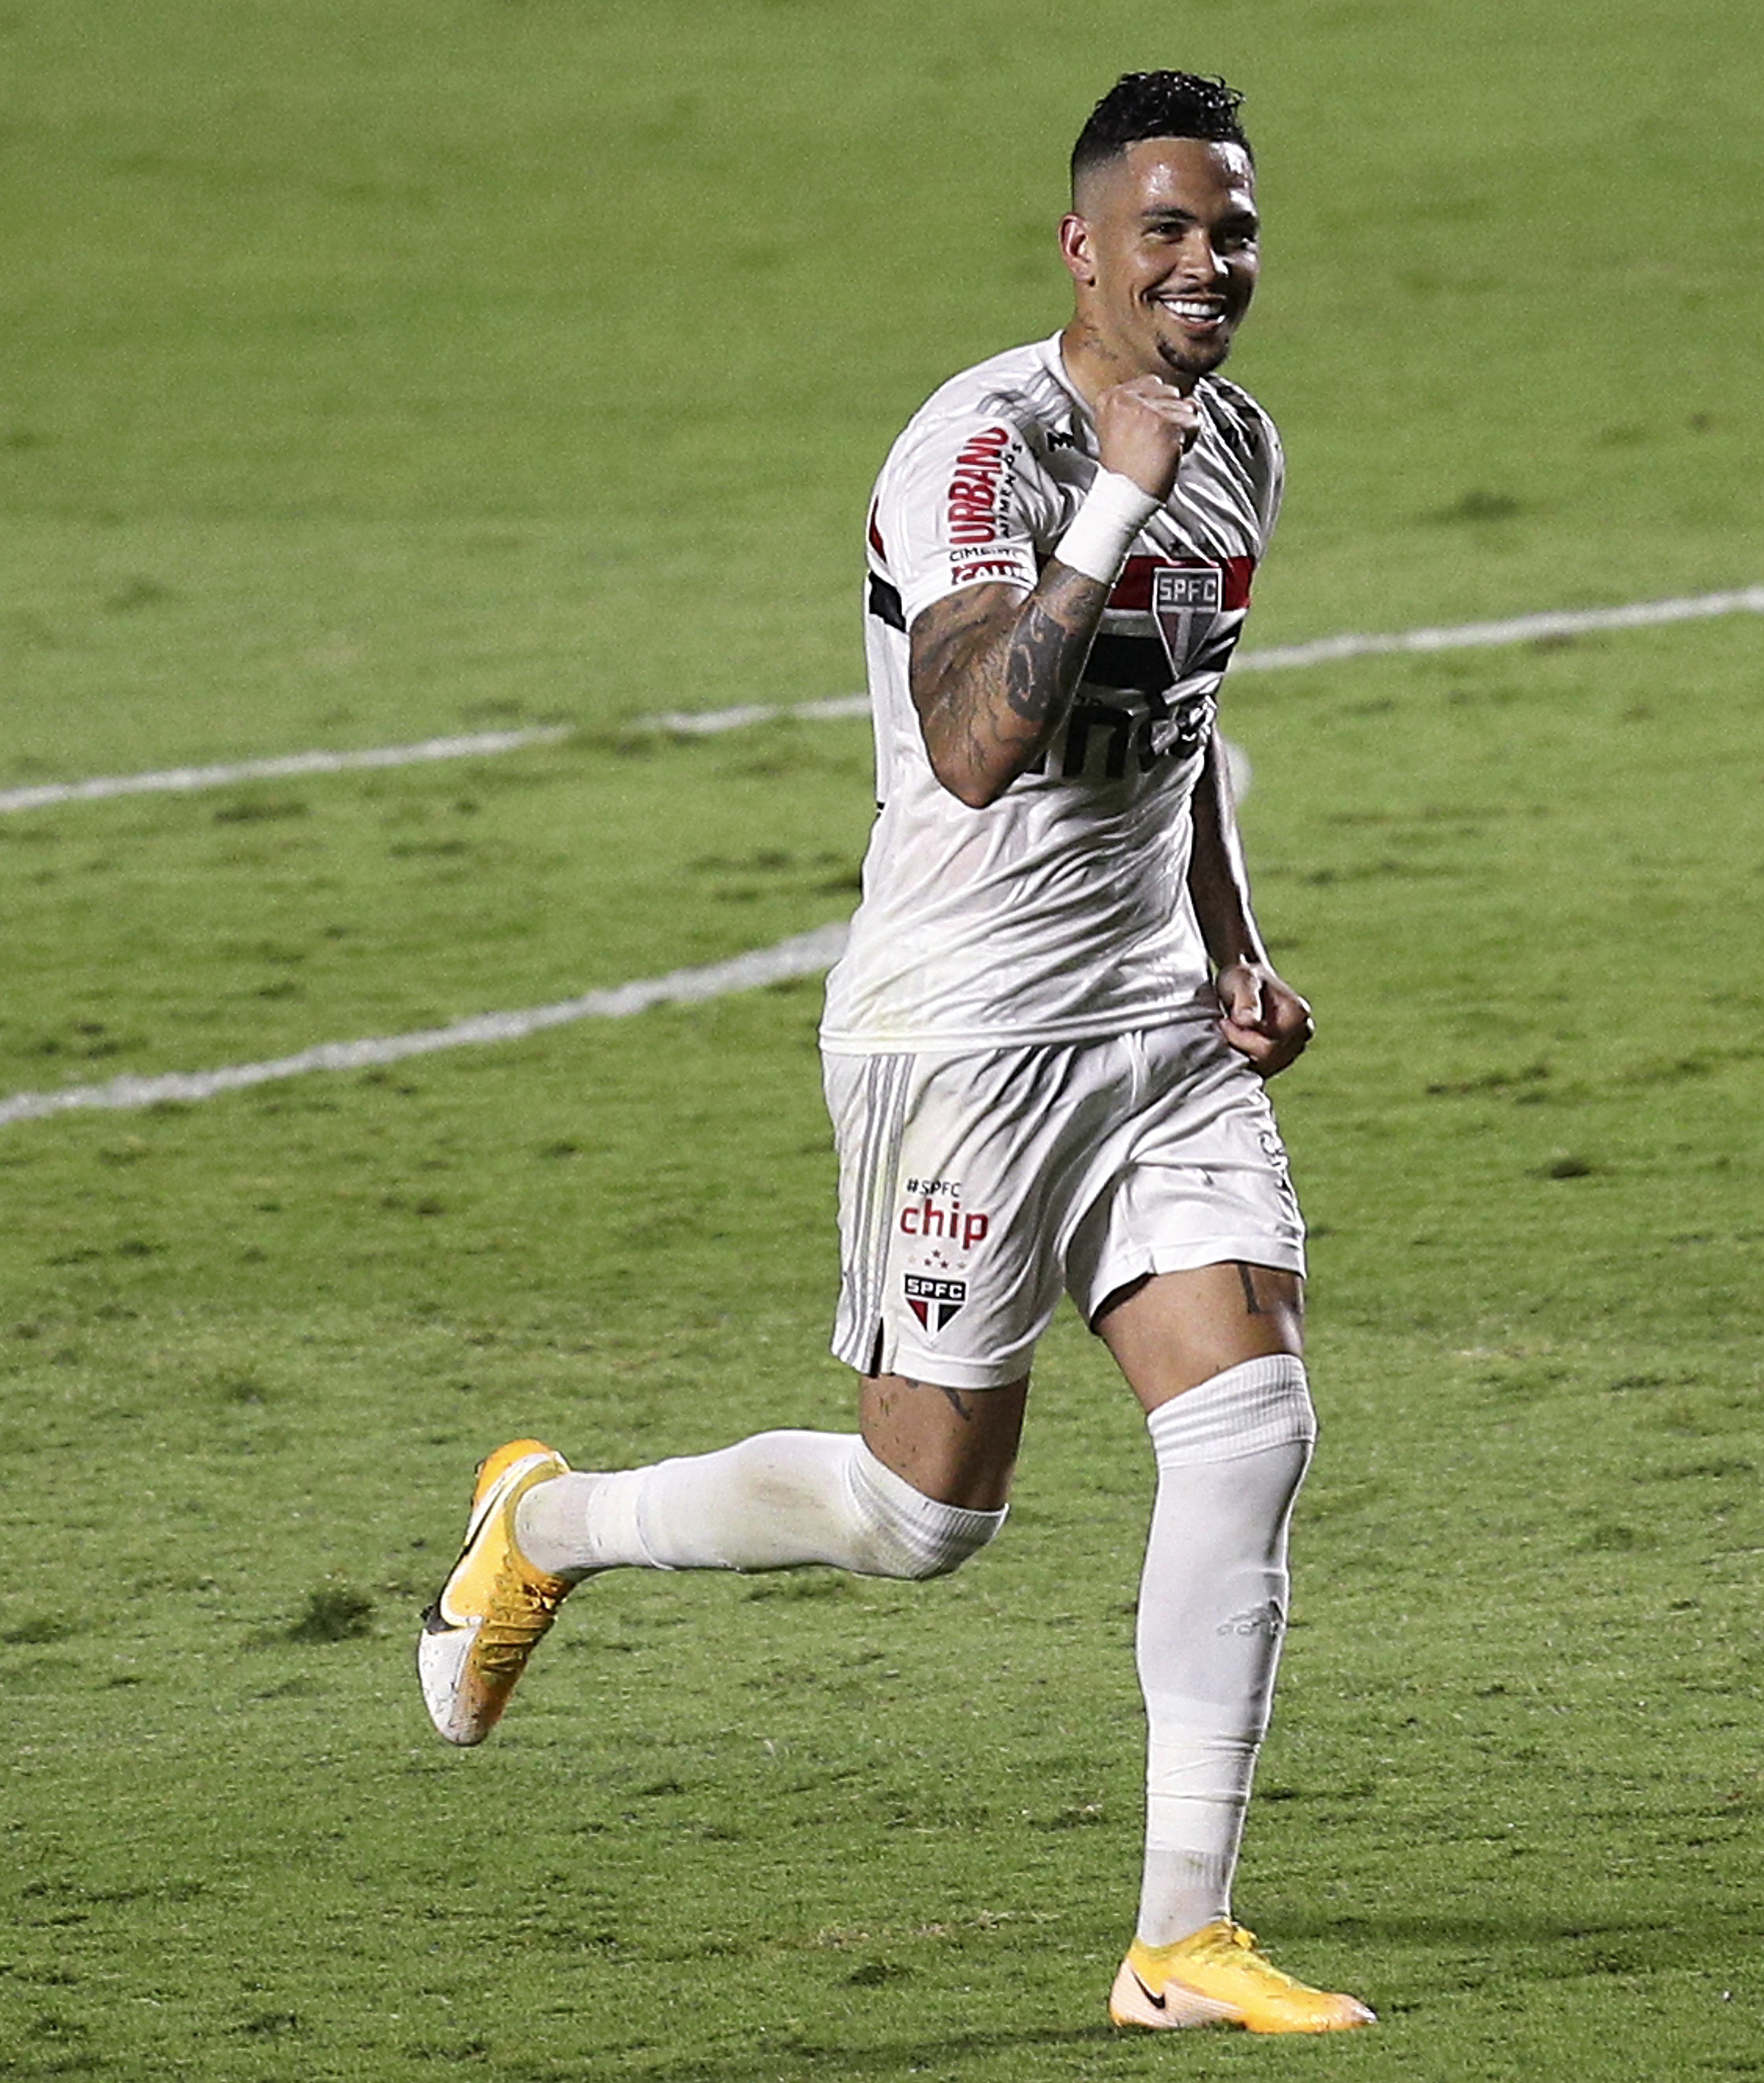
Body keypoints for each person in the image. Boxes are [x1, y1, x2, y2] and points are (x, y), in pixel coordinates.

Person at [414, 70, 1371, 2035]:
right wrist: (1110, 484)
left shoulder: (1241, 446)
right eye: (1172, 230)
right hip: (962, 1040)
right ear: (1084, 244)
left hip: (1145, 1027)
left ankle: (1178, 1939)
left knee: (1251, 1424)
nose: (1211, 266)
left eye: (1238, 232)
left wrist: (1233, 953)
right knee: (923, 1512)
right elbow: (973, 740)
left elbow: (1173, 738)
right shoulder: (981, 446)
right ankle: (550, 1524)